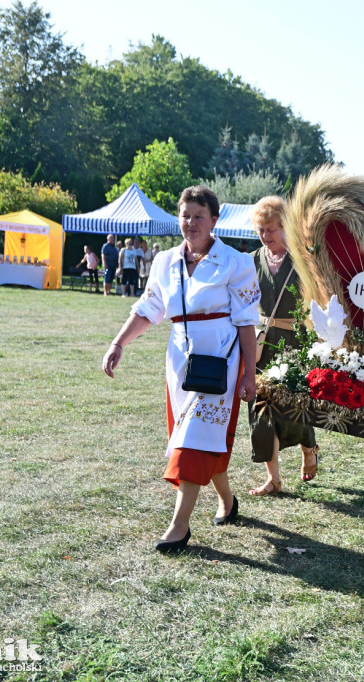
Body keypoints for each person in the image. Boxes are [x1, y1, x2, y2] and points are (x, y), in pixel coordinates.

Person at [101, 185, 260, 552]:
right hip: (182, 362)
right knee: (202, 438)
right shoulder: (165, 261)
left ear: (214, 220)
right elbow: (149, 308)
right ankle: (228, 501)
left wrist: (249, 373)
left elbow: (247, 321)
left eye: (199, 216)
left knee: (194, 440)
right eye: (185, 215)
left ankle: (179, 526)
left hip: (222, 360)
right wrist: (118, 343)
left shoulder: (237, 262)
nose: (191, 223)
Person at [246, 196, 321, 496]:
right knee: (260, 407)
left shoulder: (304, 260)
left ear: (285, 227)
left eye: (272, 229)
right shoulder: (252, 260)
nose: (265, 236)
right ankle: (274, 478)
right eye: (261, 230)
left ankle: (308, 446)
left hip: (295, 342)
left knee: (293, 406)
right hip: (262, 342)